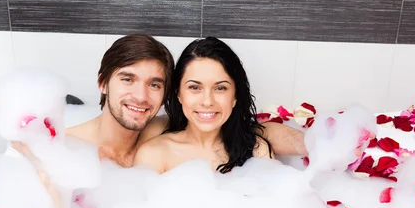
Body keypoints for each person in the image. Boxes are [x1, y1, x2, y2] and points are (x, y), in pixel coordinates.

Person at [64, 33, 307, 166]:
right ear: (103, 83)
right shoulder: (65, 151)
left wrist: (322, 145)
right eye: (128, 79)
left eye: (154, 84)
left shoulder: (158, 127)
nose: (140, 96)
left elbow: (253, 131)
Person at [134, 37, 271, 174]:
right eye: (194, 87)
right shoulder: (154, 155)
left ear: (235, 96)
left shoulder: (257, 152)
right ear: (179, 94)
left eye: (220, 88)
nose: (207, 101)